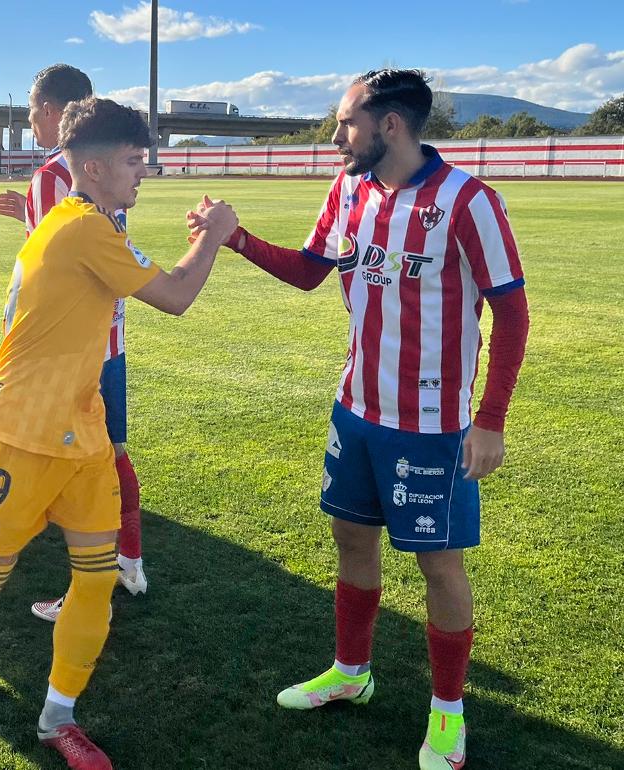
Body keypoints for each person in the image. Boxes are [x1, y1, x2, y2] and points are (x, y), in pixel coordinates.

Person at [187, 69, 529, 770]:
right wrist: (235, 238)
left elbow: (513, 313)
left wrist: (489, 419)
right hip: (357, 407)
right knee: (350, 536)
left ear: (391, 125)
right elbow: (312, 269)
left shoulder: (468, 201)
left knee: (439, 564)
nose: (336, 134)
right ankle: (351, 672)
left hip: (432, 423)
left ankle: (447, 714)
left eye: (345, 122)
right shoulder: (348, 189)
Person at [0, 97, 238, 770]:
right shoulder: (84, 228)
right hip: (21, 431)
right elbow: (177, 297)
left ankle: (56, 718)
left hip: (81, 433)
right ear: (91, 166)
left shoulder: (89, 221)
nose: (141, 173)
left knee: (94, 580)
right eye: (132, 161)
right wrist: (215, 232)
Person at [0, 64, 150, 612]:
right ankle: (128, 560)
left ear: (48, 111)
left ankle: (9, 549)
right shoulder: (109, 168)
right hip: (111, 340)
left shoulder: (51, 174)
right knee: (110, 454)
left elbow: (55, 267)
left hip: (68, 351)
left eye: (32, 111)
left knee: (75, 464)